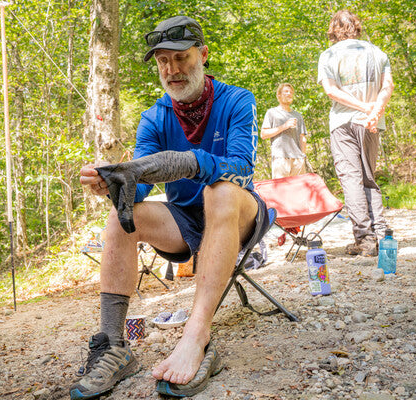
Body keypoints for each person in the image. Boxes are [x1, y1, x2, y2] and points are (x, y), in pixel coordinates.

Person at [74, 15, 269, 399]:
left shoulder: (236, 100)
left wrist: (190, 162)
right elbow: (142, 185)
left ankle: (196, 335)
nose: (172, 69)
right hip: (182, 222)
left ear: (204, 55)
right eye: (163, 61)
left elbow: (242, 169)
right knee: (119, 218)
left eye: (181, 57)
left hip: (239, 215)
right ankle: (113, 345)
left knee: (221, 191)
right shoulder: (155, 116)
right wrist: (112, 183)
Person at [317, 9, 394, 256]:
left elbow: (331, 91)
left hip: (343, 122)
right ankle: (381, 235)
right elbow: (387, 86)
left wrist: (363, 108)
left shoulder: (329, 54)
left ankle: (365, 240)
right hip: (371, 123)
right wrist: (374, 111)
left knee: (351, 179)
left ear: (334, 29)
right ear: (357, 26)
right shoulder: (377, 51)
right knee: (369, 177)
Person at [260, 83, 308, 179]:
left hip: (298, 159)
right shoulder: (272, 113)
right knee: (281, 191)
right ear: (279, 95)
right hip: (280, 158)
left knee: (298, 190)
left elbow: (302, 137)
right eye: (286, 91)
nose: (289, 94)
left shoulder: (298, 115)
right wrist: (284, 126)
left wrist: (303, 156)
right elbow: (263, 134)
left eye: (291, 92)